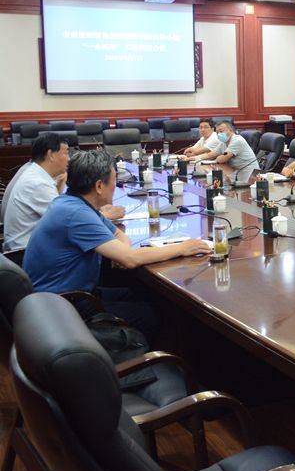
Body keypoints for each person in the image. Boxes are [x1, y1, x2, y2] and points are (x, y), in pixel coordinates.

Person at [22, 150, 208, 337]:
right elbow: (130, 259)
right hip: (63, 307)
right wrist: (183, 248)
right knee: (150, 315)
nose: (116, 184)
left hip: (64, 297)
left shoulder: (73, 202)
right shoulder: (76, 214)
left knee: (146, 295)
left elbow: (118, 234)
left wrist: (121, 251)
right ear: (99, 186)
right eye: (113, 180)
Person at [3, 133, 71, 253]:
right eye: (65, 153)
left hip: (29, 246)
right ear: (51, 155)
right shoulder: (38, 183)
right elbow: (68, 221)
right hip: (23, 253)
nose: (69, 159)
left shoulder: (34, 171)